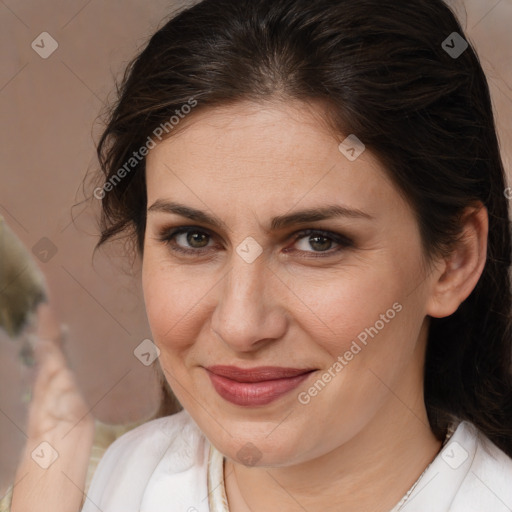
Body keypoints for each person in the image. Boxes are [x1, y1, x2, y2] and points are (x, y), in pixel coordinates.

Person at [33, 0, 512, 510]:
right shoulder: (113, 481)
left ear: (453, 262)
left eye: (317, 241)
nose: (241, 325)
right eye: (194, 237)